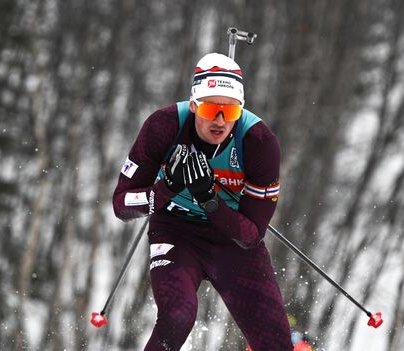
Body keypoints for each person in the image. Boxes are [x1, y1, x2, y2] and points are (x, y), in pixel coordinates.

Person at [112, 53, 293, 351]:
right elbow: (121, 204)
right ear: (194, 105)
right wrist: (166, 188)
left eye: (230, 111)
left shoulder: (259, 142)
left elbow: (251, 235)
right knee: (177, 316)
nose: (220, 121)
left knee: (276, 342)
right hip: (175, 229)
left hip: (230, 239)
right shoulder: (164, 126)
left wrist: (210, 200)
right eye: (211, 108)